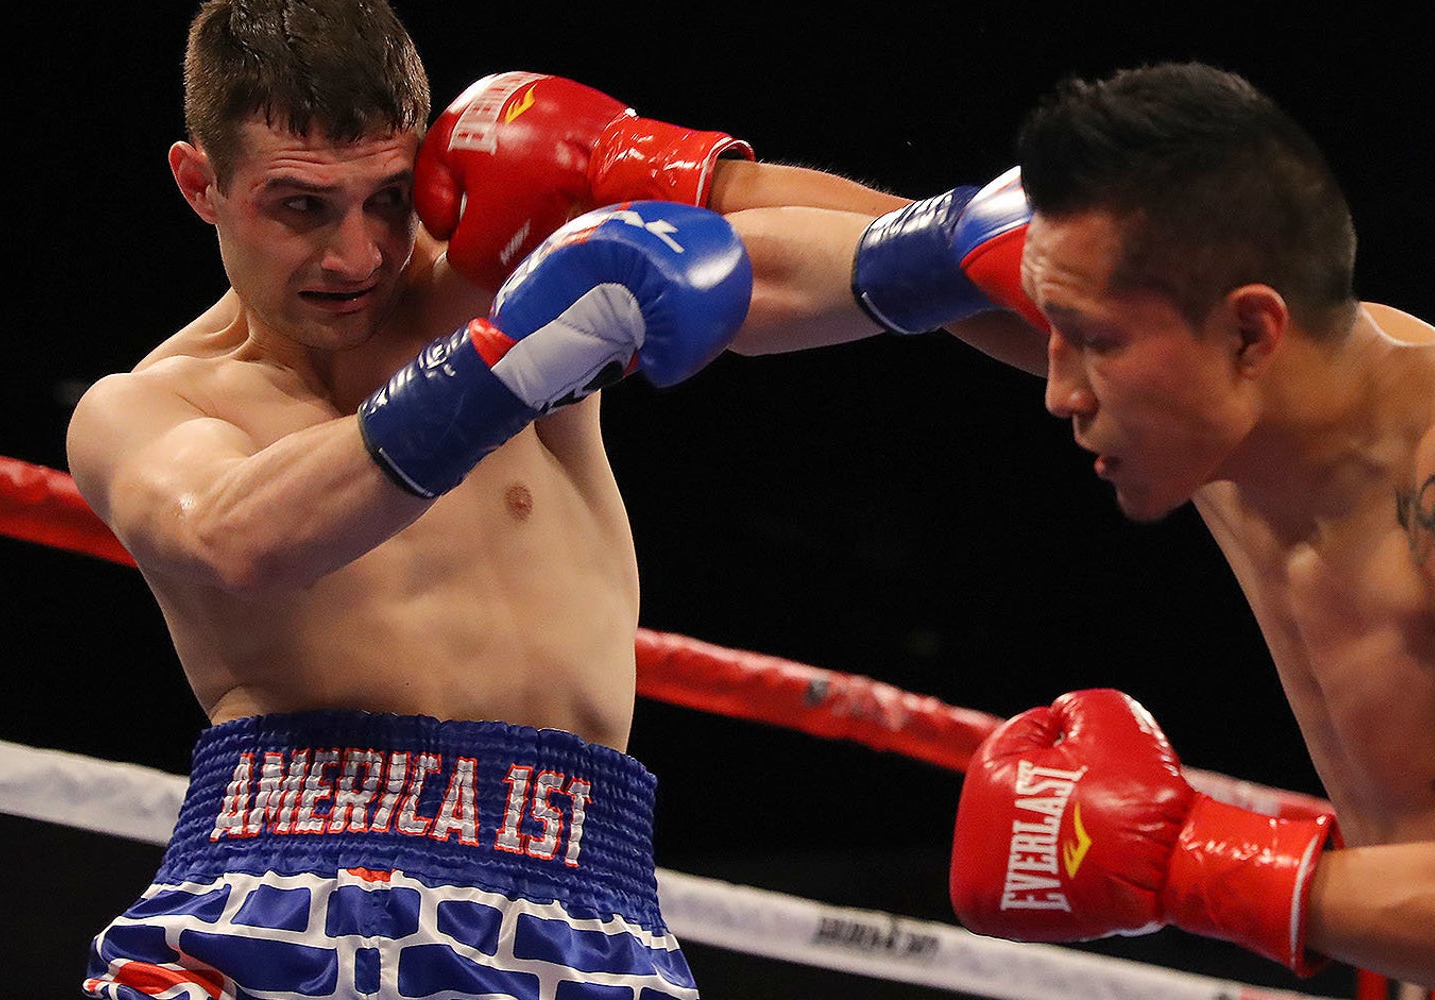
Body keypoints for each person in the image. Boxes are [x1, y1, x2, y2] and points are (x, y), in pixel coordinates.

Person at [765, 63, 1435, 998]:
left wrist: (1176, 857)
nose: (1057, 387)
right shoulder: (1191, 379)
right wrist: (660, 166)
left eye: (1089, 342)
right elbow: (897, 255)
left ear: (1251, 332)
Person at [64, 1, 918, 996]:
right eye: (299, 205)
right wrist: (506, 362)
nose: (356, 256)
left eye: (387, 198)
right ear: (199, 183)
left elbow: (839, 265)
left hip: (583, 899)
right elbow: (237, 534)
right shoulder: (149, 404)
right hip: (284, 892)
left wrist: (685, 170)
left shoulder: (499, 281)